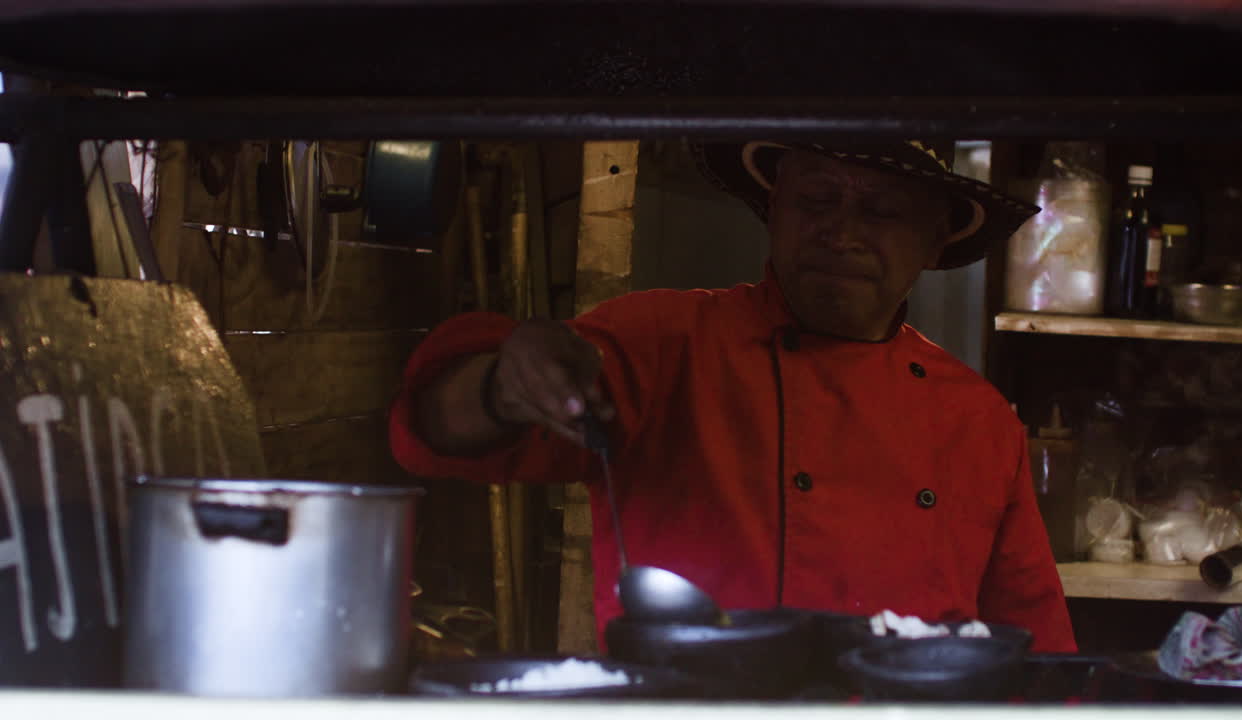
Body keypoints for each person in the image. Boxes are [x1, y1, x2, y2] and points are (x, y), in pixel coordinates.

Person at [390, 139, 1076, 653]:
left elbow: (1035, 642)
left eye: (882, 210)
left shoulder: (978, 419)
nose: (840, 232)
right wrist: (503, 382)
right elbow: (436, 429)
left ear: (934, 240)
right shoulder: (663, 341)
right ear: (773, 208)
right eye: (815, 200)